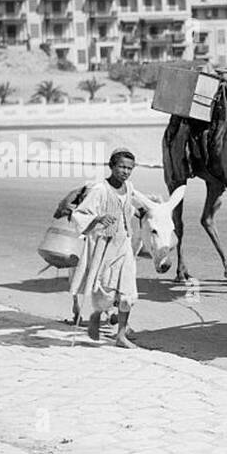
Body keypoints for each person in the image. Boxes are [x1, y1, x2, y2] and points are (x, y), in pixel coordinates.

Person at [69, 148, 152, 348]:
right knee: (104, 288)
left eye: (129, 168)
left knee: (128, 292)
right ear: (111, 166)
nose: (125, 171)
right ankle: (97, 313)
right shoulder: (100, 189)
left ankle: (121, 335)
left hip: (124, 244)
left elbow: (129, 208)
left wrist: (142, 212)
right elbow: (79, 214)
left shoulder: (129, 187)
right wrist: (98, 218)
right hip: (104, 246)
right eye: (122, 167)